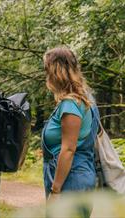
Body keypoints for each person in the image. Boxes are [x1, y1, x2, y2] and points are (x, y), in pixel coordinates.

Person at [41, 47, 99, 205]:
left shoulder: (71, 104)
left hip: (70, 180)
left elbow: (68, 149)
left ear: (56, 72)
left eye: (47, 70)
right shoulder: (87, 99)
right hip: (79, 176)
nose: (46, 76)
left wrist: (56, 190)